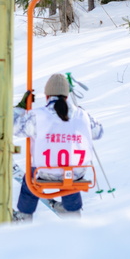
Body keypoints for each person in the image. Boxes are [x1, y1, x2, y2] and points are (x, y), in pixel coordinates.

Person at [12, 73, 103, 221]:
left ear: (47, 95)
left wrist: (20, 109)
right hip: (75, 173)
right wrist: (84, 116)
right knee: (69, 177)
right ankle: (72, 211)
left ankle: (25, 214)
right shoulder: (81, 115)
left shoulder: (38, 116)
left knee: (29, 181)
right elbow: (99, 132)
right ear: (67, 96)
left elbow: (15, 127)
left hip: (44, 172)